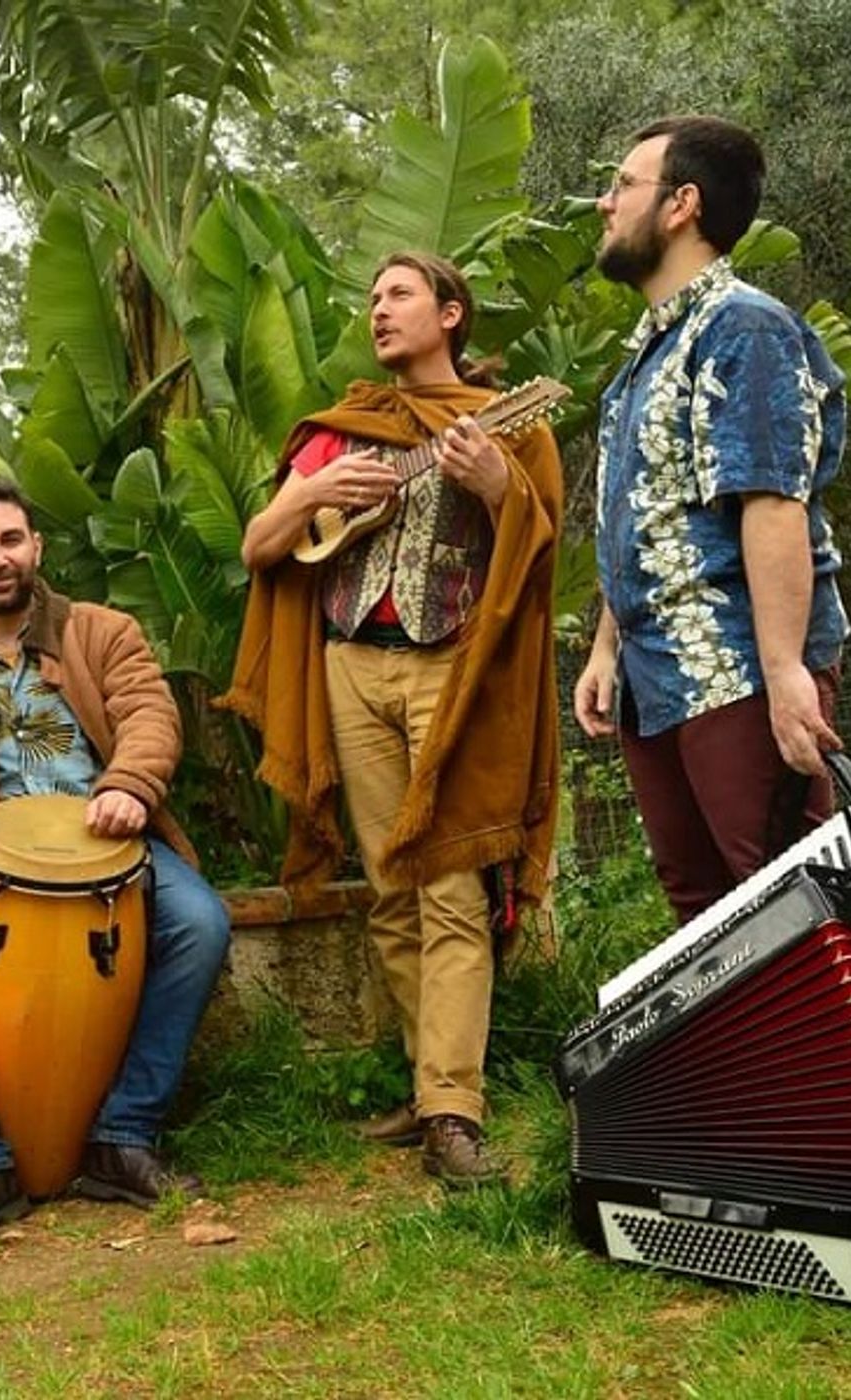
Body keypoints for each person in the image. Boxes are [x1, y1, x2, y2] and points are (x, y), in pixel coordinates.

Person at [222, 252, 563, 1187]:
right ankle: (427, 1085)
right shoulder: (345, 431)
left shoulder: (507, 422)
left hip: (452, 669)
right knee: (389, 887)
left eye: (399, 295)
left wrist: (494, 485)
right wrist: (310, 494)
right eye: (372, 298)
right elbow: (260, 547)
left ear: (451, 314)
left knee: (449, 882)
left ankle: (453, 1110)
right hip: (348, 668)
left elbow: (538, 546)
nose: (379, 310)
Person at [0, 483, 230, 1220]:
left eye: (10, 540)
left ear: (36, 547)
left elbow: (149, 714)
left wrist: (129, 785)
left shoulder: (103, 632)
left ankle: (124, 1136)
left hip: (110, 844)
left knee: (200, 924)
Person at [573, 116, 847, 925]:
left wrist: (787, 672)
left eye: (623, 184)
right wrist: (606, 648)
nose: (605, 202)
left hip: (736, 667)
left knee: (794, 906)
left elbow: (773, 501)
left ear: (681, 204)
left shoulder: (744, 327)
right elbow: (641, 518)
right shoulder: (641, 363)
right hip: (653, 681)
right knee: (707, 927)